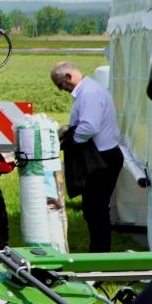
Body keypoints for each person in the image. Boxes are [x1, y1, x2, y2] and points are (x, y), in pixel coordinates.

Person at [52, 62, 124, 252]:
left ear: (68, 76)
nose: (62, 90)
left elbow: (89, 127)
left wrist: (71, 141)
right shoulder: (90, 89)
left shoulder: (88, 93)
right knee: (94, 209)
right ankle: (99, 253)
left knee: (96, 210)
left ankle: (99, 256)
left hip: (101, 160)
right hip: (104, 156)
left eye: (61, 85)